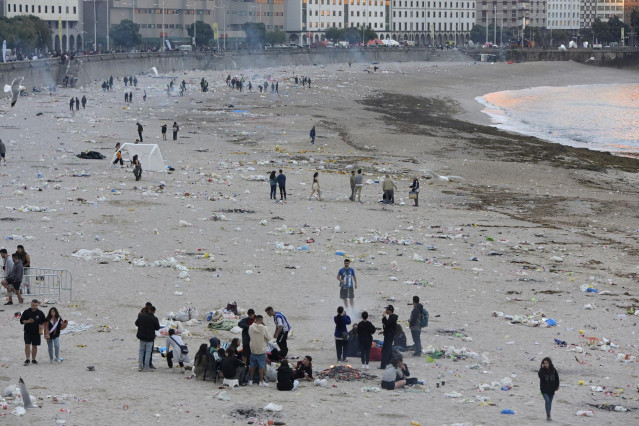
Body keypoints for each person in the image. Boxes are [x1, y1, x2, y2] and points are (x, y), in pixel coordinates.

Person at [20, 299, 45, 365]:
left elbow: (44, 322)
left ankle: (33, 359)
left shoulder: (40, 313)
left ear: (37, 305)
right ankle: (27, 359)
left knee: (34, 346)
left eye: (35, 305)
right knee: (27, 345)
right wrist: (28, 321)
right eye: (33, 305)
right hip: (27, 331)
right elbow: (21, 321)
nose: (34, 306)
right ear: (31, 305)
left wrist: (42, 327)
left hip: (36, 332)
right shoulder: (26, 312)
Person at [135, 304, 160, 371]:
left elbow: (136, 323)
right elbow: (157, 328)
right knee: (148, 352)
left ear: (149, 310)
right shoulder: (154, 318)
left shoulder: (142, 316)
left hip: (142, 336)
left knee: (141, 351)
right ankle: (146, 367)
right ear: (154, 311)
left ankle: (140, 366)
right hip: (150, 338)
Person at [248, 314, 270, 386]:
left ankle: (250, 380)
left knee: (252, 365)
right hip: (261, 349)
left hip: (253, 349)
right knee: (261, 366)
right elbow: (269, 338)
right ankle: (261, 381)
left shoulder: (251, 327)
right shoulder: (264, 328)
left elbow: (249, 335)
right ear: (261, 320)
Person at [539, 357, 560, 421]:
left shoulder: (553, 370)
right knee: (547, 401)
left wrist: (557, 386)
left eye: (546, 363)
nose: (545, 364)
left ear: (549, 363)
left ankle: (548, 414)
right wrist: (542, 368)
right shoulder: (542, 370)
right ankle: (548, 415)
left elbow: (557, 378)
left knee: (550, 403)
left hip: (552, 389)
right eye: (544, 363)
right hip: (544, 389)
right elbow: (540, 376)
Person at [380, 305, 398, 369]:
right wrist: (384, 331)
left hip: (389, 336)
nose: (385, 311)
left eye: (387, 310)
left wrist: (384, 316)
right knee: (389, 350)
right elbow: (388, 327)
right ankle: (388, 363)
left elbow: (387, 323)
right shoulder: (391, 317)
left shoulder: (393, 317)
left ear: (390, 310)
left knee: (385, 350)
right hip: (388, 335)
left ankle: (383, 365)